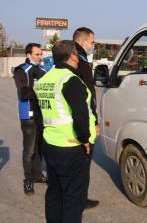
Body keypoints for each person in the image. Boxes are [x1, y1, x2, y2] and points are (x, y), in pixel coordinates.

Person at [34, 40, 96, 222]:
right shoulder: (71, 80)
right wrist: (84, 139)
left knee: (54, 193)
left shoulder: (44, 80)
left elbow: (39, 115)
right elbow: (80, 114)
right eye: (76, 55)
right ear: (72, 56)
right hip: (71, 147)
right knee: (73, 199)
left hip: (51, 145)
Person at [13, 43, 47, 196]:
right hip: (28, 116)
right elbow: (23, 93)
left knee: (39, 148)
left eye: (41, 54)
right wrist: (40, 91)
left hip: (42, 116)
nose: (40, 57)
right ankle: (28, 180)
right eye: (37, 54)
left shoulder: (43, 71)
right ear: (29, 55)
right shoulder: (21, 70)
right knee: (29, 150)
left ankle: (37, 175)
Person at [72, 27, 100, 209]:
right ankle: (80, 200)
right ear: (83, 42)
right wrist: (95, 121)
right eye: (92, 42)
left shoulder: (67, 60)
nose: (93, 46)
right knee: (83, 163)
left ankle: (74, 197)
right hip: (84, 120)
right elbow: (88, 95)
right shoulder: (80, 62)